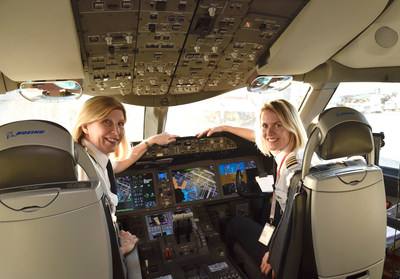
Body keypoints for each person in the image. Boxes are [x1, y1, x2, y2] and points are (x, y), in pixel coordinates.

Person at [197, 99, 309, 278]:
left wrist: (274, 252)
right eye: (264, 125)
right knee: (265, 209)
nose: (269, 132)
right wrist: (225, 128)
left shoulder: (293, 173)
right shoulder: (299, 149)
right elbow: (262, 136)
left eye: (278, 125)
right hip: (304, 242)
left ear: (291, 126)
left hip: (291, 252)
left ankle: (235, 268)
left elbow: (301, 223)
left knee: (236, 223)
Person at [72, 96, 179, 255]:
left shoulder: (94, 160)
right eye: (106, 121)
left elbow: (118, 165)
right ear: (85, 126)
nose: (116, 131)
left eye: (120, 124)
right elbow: (81, 238)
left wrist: (150, 141)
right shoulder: (82, 170)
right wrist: (120, 249)